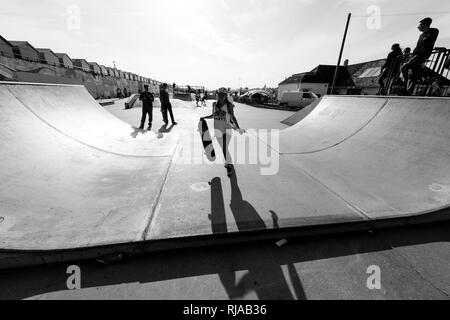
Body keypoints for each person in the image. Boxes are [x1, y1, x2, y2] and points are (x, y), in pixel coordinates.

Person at [200, 87, 245, 177]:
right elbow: (213, 115)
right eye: (219, 94)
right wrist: (204, 117)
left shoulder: (229, 105)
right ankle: (229, 161)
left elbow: (233, 117)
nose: (221, 96)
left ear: (226, 95)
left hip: (227, 129)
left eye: (223, 95)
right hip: (217, 130)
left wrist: (238, 128)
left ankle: (228, 166)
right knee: (224, 148)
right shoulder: (214, 105)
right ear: (217, 95)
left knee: (224, 147)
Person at [401, 17, 439, 95]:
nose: (418, 27)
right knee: (415, 74)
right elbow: (418, 46)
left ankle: (405, 83)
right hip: (416, 55)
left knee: (404, 67)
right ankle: (409, 92)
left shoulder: (433, 31)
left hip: (422, 55)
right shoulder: (421, 35)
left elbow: (428, 44)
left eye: (420, 25)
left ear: (425, 24)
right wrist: (412, 55)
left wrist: (416, 55)